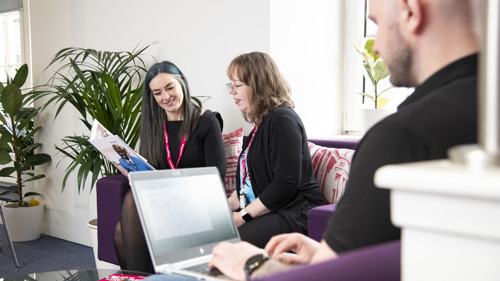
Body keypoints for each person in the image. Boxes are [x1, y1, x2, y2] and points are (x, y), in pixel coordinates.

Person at [206, 0, 480, 280]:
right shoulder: (480, 110)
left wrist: (253, 265)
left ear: (411, 11)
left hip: (292, 212)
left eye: (375, 24)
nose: (375, 47)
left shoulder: (398, 138)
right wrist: (322, 256)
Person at [114, 61, 227, 273]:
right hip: (162, 201)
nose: (165, 97)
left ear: (182, 83)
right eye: (157, 93)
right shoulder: (152, 124)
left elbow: (217, 176)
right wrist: (132, 172)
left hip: (197, 201)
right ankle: (138, 278)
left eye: (170, 87)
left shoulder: (207, 121)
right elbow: (150, 168)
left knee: (130, 202)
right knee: (120, 230)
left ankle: (136, 278)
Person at [223, 51, 325, 250]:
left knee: (228, 246)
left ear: (259, 85)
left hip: (293, 212)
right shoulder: (261, 125)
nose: (231, 91)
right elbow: (248, 182)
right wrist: (223, 210)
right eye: (230, 85)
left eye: (237, 85)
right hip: (273, 211)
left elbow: (285, 183)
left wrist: (243, 216)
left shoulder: (282, 120)